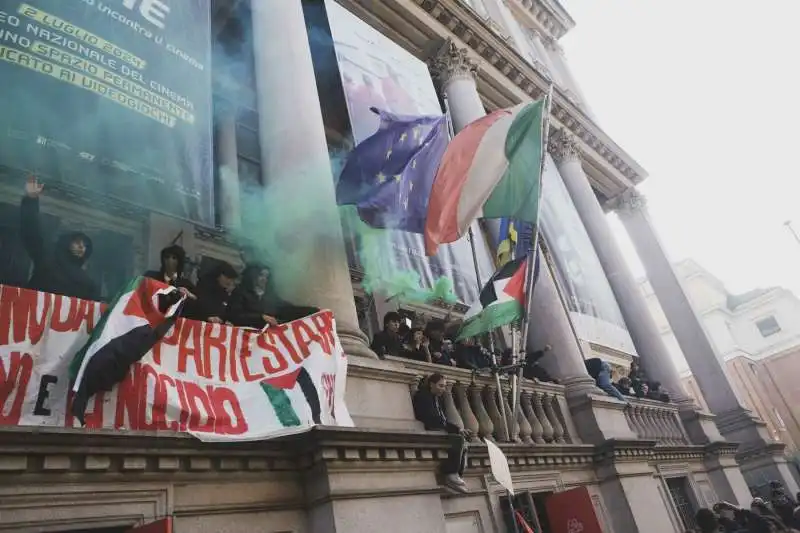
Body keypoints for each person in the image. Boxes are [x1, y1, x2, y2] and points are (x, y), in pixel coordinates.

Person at [19, 175, 100, 301]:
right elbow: (31, 232)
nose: (81, 247)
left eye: (85, 246)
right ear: (67, 242)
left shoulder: (88, 283)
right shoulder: (47, 258)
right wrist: (31, 200)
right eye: (78, 242)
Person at [413, 373, 471, 493]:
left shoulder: (436, 398)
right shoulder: (423, 396)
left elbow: (442, 420)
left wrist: (458, 429)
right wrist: (453, 429)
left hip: (438, 430)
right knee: (457, 440)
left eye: (444, 386)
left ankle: (457, 475)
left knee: (463, 442)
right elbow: (432, 419)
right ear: (431, 384)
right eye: (440, 386)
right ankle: (450, 473)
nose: (443, 389)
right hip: (430, 430)